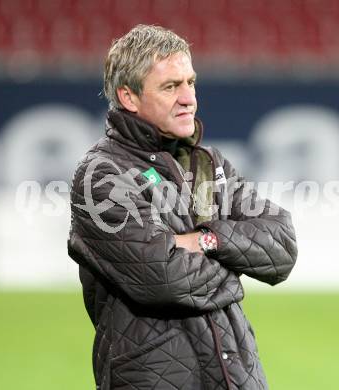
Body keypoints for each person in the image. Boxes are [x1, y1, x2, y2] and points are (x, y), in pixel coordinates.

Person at [68, 24, 297, 390]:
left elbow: (282, 247)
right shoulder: (102, 177)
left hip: (236, 378)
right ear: (129, 97)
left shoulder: (209, 164)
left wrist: (206, 240)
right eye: (171, 86)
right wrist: (236, 267)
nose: (189, 98)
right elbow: (165, 280)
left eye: (190, 82)